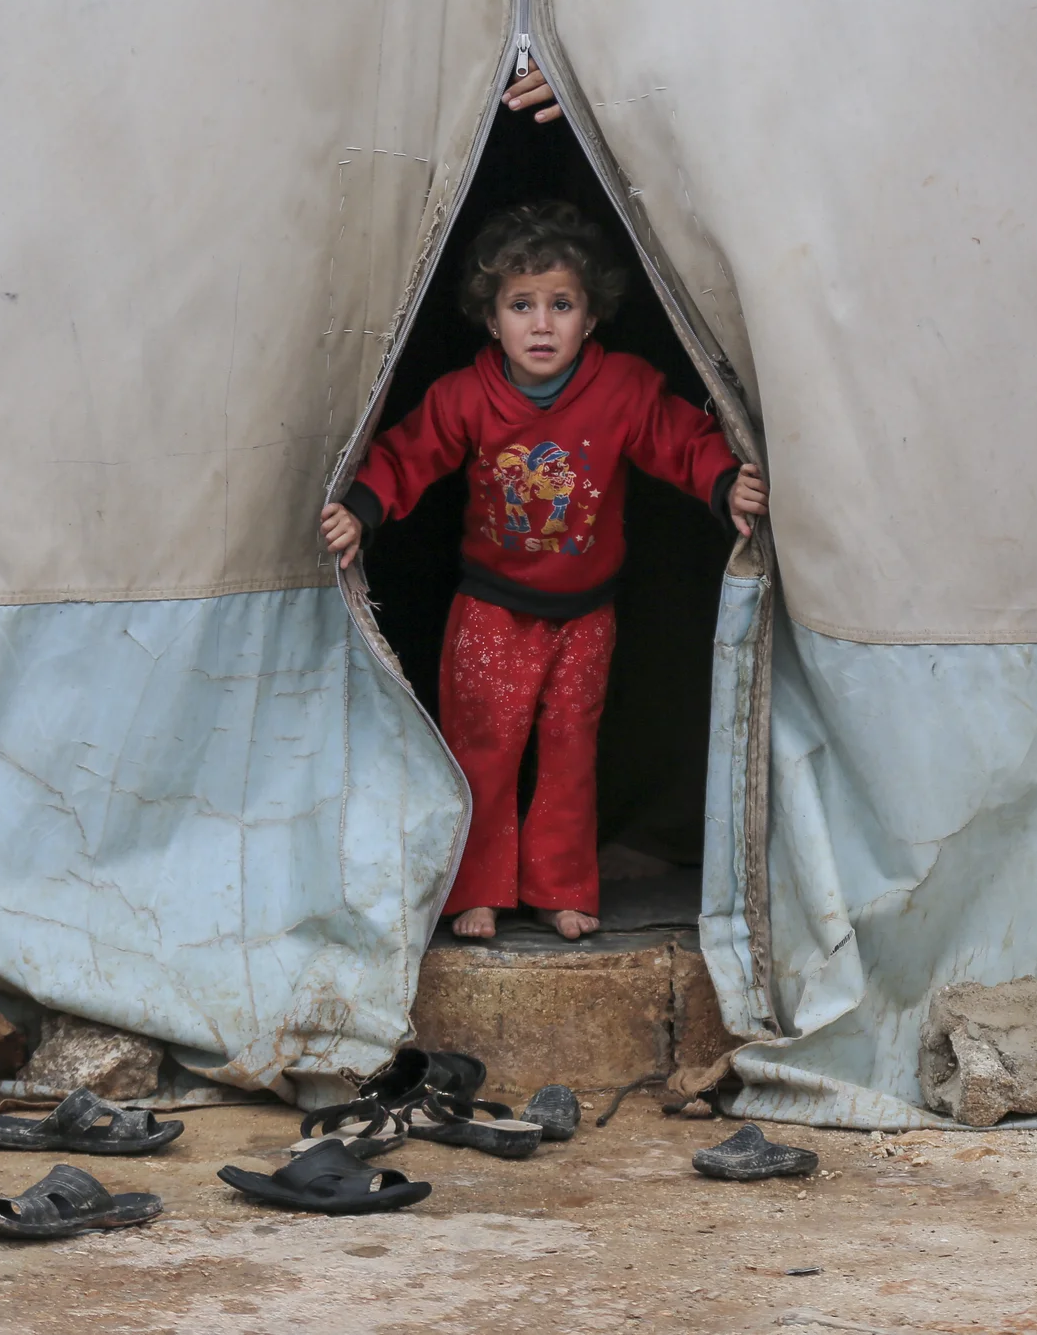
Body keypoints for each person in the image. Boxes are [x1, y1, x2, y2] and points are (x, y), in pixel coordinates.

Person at [320, 202, 768, 940]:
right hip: (492, 609)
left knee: (569, 751)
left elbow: (678, 434)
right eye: (520, 305)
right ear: (490, 319)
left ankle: (562, 887)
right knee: (484, 749)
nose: (540, 323)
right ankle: (478, 890)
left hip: (586, 611)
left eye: (561, 304)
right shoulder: (467, 395)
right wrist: (362, 510)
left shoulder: (622, 387)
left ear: (590, 317)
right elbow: (409, 451)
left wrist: (725, 480)